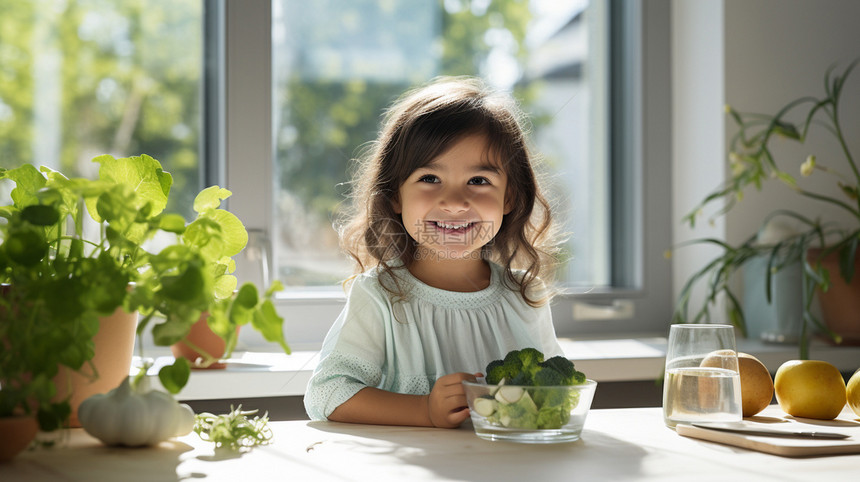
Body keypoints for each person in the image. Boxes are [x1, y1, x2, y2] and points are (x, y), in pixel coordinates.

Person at [303, 76, 565, 428]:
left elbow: (557, 392)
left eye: (479, 181)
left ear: (510, 198)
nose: (455, 202)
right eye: (429, 178)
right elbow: (326, 395)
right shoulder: (379, 296)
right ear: (395, 195)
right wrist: (424, 410)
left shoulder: (526, 295)